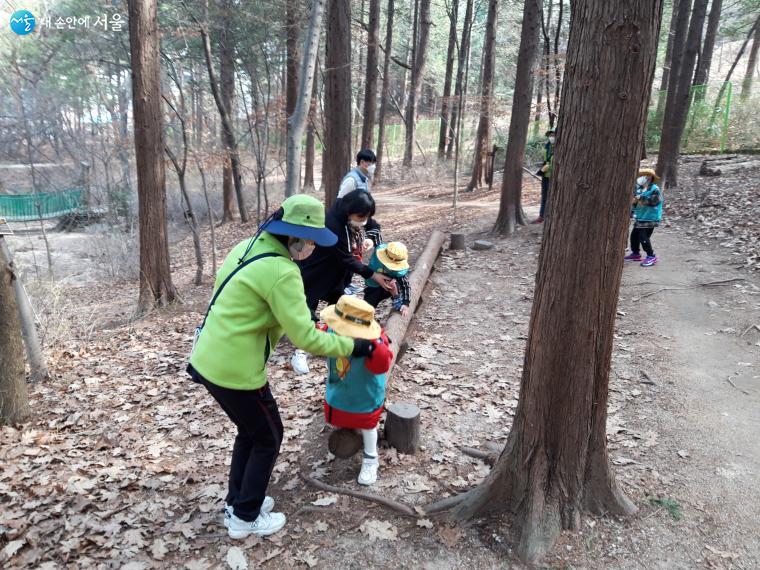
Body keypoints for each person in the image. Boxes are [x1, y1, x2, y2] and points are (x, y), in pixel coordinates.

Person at [187, 195, 379, 539]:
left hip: (207, 357)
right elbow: (306, 340)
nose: (311, 249)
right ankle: (245, 518)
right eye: (309, 242)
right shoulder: (283, 270)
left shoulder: (247, 247)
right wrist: (354, 346)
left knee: (251, 432)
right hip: (237, 371)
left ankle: (240, 501)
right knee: (268, 436)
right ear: (295, 238)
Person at [292, 190, 395, 374]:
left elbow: (373, 225)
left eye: (366, 216)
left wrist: (370, 238)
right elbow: (345, 258)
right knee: (308, 308)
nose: (363, 221)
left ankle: (333, 346)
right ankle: (300, 351)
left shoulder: (356, 212)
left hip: (337, 274)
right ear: (349, 210)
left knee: (339, 308)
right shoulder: (332, 223)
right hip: (316, 270)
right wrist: (373, 275)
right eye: (360, 216)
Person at [320, 296, 394, 485]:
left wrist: (376, 349)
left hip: (364, 392)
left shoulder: (373, 343)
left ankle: (371, 459)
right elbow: (319, 338)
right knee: (345, 414)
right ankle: (346, 433)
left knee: (368, 425)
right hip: (341, 387)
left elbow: (381, 365)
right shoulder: (333, 331)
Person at [337, 149, 382, 251]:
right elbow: (340, 203)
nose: (373, 166)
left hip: (357, 221)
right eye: (371, 163)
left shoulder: (363, 179)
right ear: (362, 162)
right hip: (349, 223)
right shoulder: (351, 180)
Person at [624, 168, 663, 267]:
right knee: (634, 236)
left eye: (647, 175)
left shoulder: (655, 189)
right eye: (642, 175)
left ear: (651, 177)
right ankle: (636, 253)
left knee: (643, 237)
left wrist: (642, 198)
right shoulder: (639, 189)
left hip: (650, 218)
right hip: (640, 217)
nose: (644, 177)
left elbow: (655, 201)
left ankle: (651, 256)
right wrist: (632, 211)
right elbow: (635, 203)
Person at [363, 241, 411, 318]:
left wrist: (406, 303)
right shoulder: (378, 252)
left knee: (394, 285)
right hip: (373, 285)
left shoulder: (399, 272)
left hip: (390, 287)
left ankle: (396, 298)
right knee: (368, 306)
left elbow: (405, 285)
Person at [533, 129, 555, 224]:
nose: (551, 137)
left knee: (553, 197)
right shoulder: (547, 146)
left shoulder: (561, 146)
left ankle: (551, 216)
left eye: (553, 135)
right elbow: (546, 159)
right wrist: (543, 168)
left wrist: (549, 166)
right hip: (545, 175)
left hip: (554, 176)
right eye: (550, 135)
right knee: (544, 196)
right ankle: (541, 216)